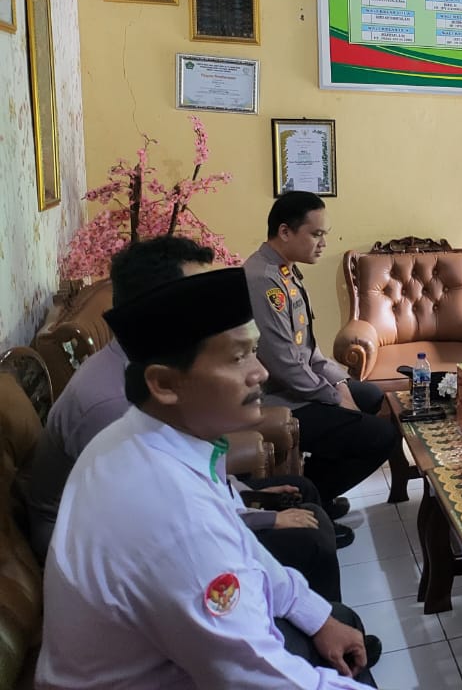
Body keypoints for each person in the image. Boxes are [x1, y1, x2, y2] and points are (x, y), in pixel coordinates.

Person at [36, 267, 379, 688]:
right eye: (238, 357)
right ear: (164, 383)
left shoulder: (142, 436)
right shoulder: (172, 513)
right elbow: (258, 677)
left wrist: (316, 615)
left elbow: (242, 548)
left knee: (337, 622)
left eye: (254, 351)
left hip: (177, 659)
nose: (260, 372)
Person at [23, 236, 349, 602]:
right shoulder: (112, 405)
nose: (207, 304)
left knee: (300, 492)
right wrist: (262, 517)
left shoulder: (148, 364)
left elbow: (189, 467)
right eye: (195, 293)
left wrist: (243, 494)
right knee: (309, 540)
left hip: (158, 519)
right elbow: (165, 517)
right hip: (112, 560)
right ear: (158, 305)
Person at [245, 192, 397, 519]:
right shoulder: (263, 281)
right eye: (316, 234)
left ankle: (316, 491)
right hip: (278, 398)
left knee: (369, 394)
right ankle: (309, 506)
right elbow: (284, 365)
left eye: (325, 234)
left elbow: (308, 349)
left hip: (296, 386)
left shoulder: (285, 271)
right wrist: (334, 397)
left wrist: (340, 383)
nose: (323, 243)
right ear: (285, 232)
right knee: (383, 436)